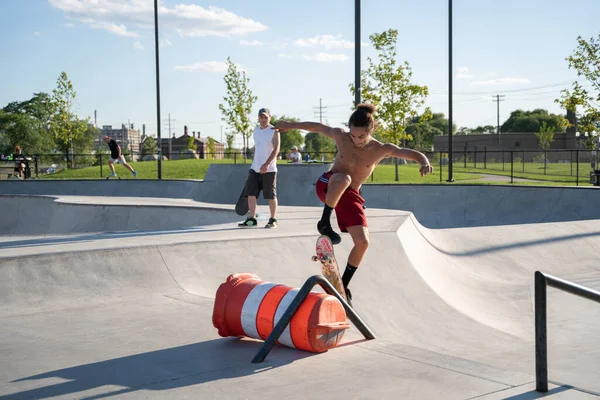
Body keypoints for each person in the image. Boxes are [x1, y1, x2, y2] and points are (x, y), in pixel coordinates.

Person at [273, 103, 434, 302]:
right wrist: (290, 125)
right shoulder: (341, 136)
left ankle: (343, 285)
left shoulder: (381, 149)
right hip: (329, 184)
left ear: (371, 130)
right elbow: (318, 127)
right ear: (348, 129)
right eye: (353, 135)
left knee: (363, 242)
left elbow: (410, 153)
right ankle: (324, 222)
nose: (356, 140)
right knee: (344, 179)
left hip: (350, 197)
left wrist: (424, 162)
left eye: (361, 136)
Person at [238, 107, 280, 229]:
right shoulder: (256, 130)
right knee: (251, 193)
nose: (263, 119)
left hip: (270, 169)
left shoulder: (274, 130)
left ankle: (273, 219)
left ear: (269, 117)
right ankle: (252, 218)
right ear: (258, 118)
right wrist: (254, 162)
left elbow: (276, 149)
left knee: (271, 195)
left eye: (265, 117)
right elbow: (258, 147)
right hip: (255, 167)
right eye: (261, 117)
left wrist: (266, 164)